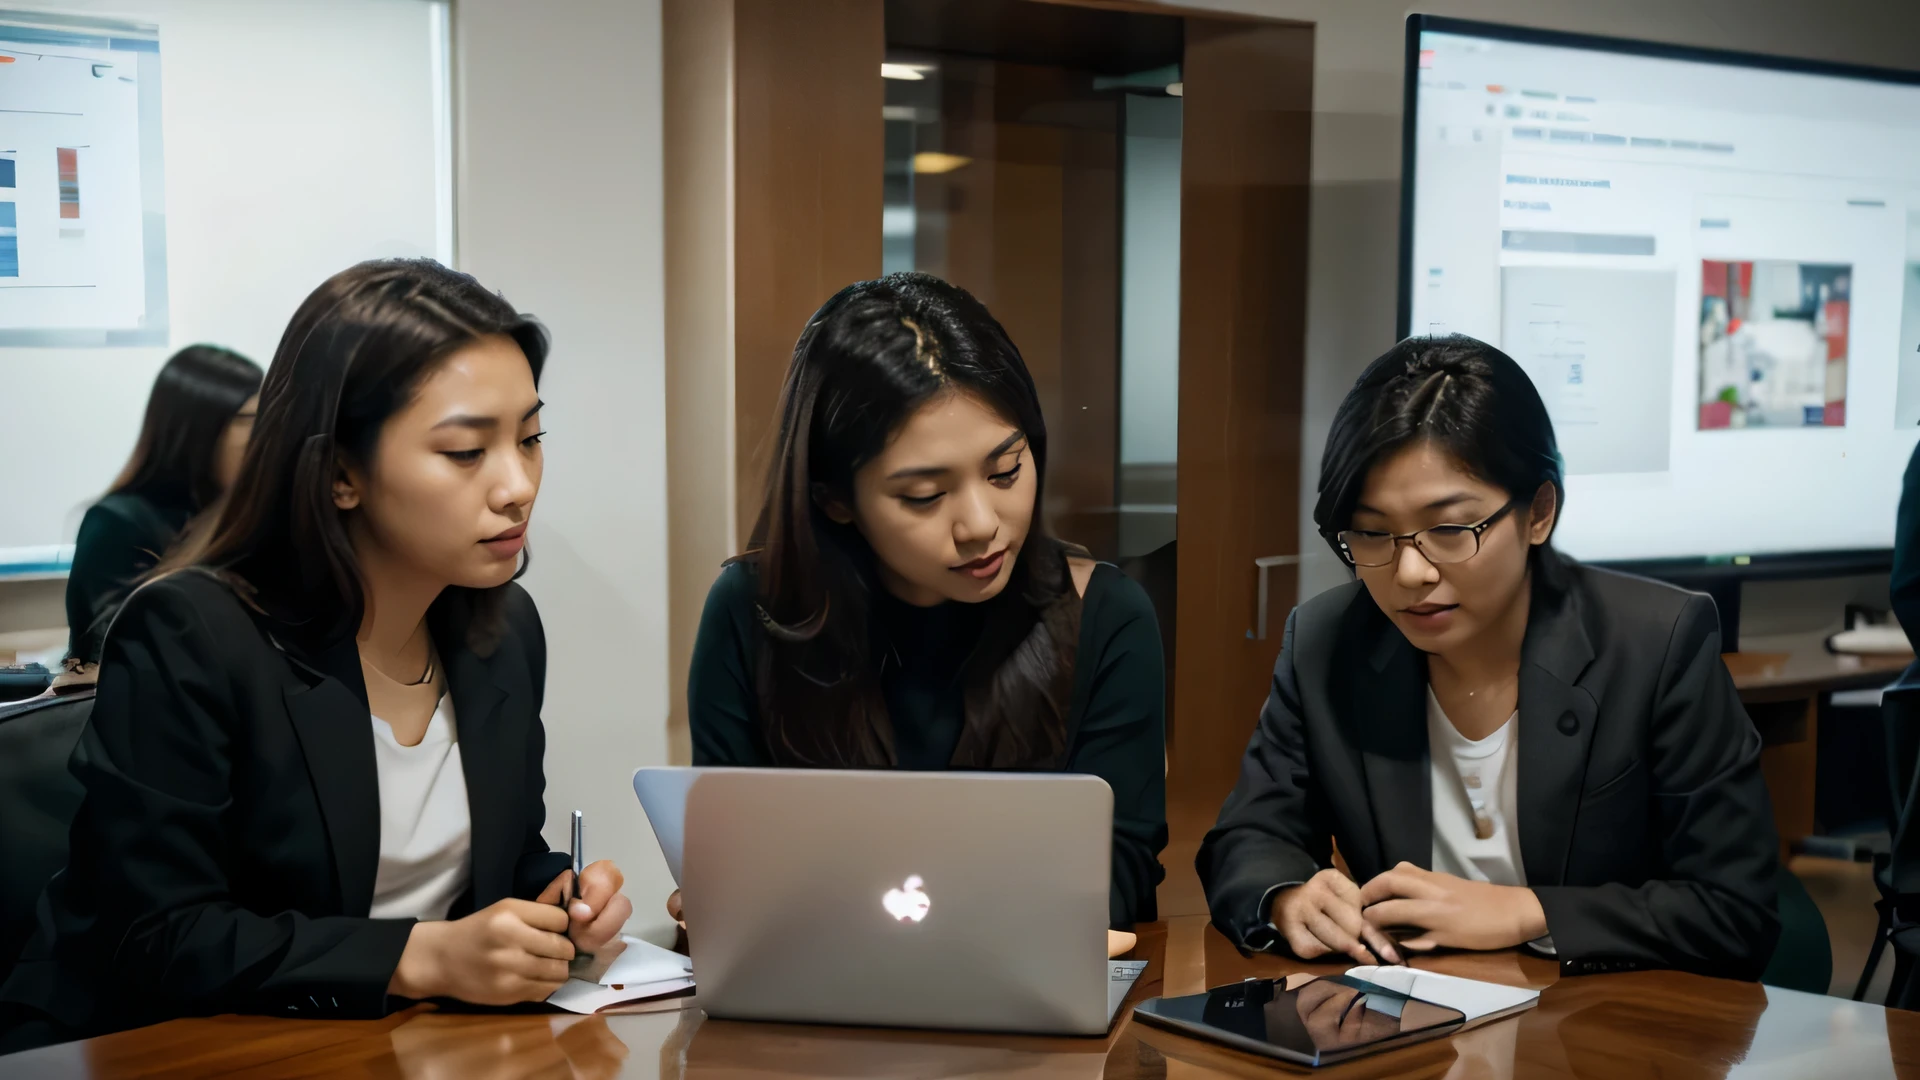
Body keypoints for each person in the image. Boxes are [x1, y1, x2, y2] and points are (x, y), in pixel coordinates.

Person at [0, 259, 632, 1050]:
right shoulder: (193, 634)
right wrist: (419, 957)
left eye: (531, 439)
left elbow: (489, 867)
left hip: (392, 1048)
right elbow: (156, 937)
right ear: (340, 474)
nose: (518, 485)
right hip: (158, 1050)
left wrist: (556, 898)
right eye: (467, 452)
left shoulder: (503, 635)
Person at [1197, 334, 1780, 978]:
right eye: (1371, 533)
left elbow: (1735, 910)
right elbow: (1247, 839)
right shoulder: (1326, 640)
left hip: (1599, 1032)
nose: (1411, 572)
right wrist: (1286, 897)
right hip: (1407, 1033)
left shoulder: (1656, 643)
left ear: (1539, 512)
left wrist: (1529, 913)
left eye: (1450, 529)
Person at [684, 272, 1167, 928]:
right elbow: (731, 861)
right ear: (834, 499)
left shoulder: (1106, 618)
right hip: (814, 1006)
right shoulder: (751, 614)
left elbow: (1122, 878)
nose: (980, 524)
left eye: (1005, 472)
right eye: (924, 496)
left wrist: (818, 898)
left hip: (1023, 1009)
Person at [65, 345, 263, 665]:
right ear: (200, 429)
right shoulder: (117, 525)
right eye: (253, 418)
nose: (267, 438)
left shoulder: (242, 517)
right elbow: (126, 660)